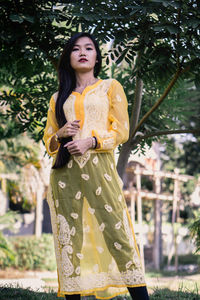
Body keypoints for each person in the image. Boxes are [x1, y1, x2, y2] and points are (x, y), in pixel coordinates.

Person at [43, 32, 149, 300]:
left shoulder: (109, 87)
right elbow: (49, 140)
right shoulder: (58, 97)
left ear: (96, 57)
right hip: (65, 175)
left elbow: (122, 130)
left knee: (117, 231)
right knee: (70, 239)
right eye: (76, 49)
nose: (82, 52)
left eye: (89, 48)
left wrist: (92, 141)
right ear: (68, 57)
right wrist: (62, 133)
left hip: (100, 169)